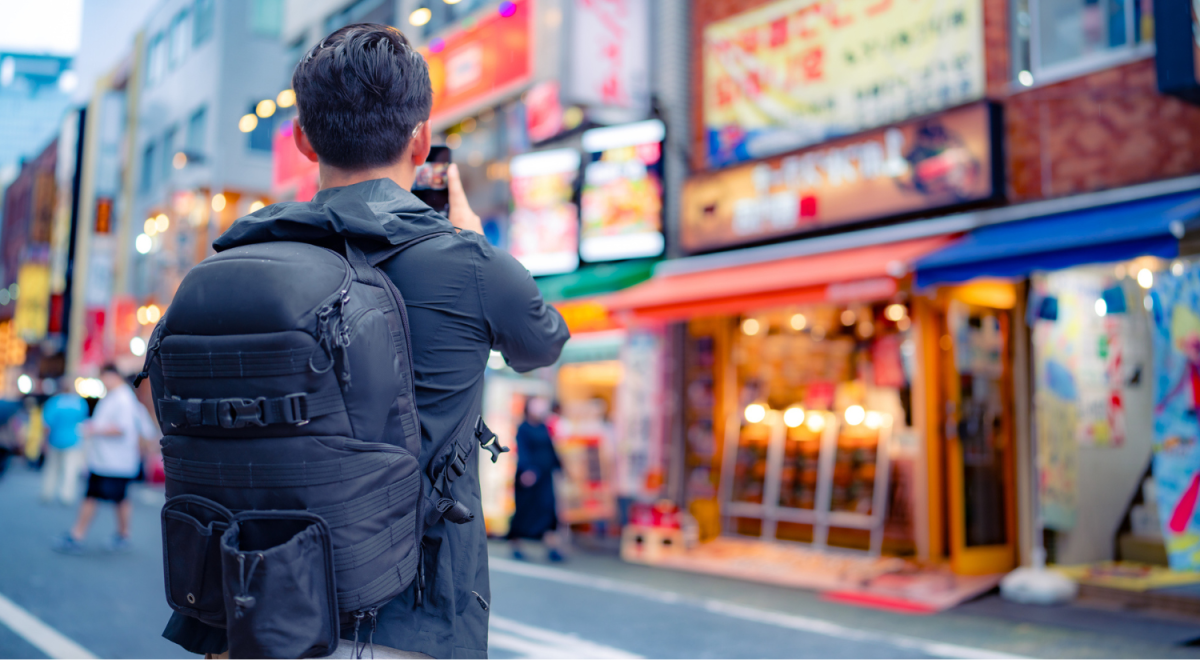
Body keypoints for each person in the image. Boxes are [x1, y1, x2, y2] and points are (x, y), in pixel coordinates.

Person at [162, 23, 569, 659]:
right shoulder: (467, 264)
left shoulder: (243, 254)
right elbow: (541, 341)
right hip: (407, 624)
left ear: (301, 137)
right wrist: (471, 236)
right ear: (422, 140)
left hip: (246, 613)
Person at [54, 365, 145, 554]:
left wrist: (93, 429)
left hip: (113, 461)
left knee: (97, 496)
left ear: (111, 376)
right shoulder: (117, 396)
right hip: (109, 460)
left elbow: (121, 428)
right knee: (114, 497)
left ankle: (79, 535)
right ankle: (118, 534)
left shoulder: (122, 398)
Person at [507, 397, 566, 562]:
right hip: (529, 478)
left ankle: (553, 547)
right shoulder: (523, 428)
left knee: (548, 511)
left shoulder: (544, 427)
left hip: (545, 477)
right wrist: (527, 470)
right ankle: (516, 543)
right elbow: (522, 450)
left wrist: (560, 467)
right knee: (525, 512)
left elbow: (551, 449)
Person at [40, 378, 90, 504]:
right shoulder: (80, 403)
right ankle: (66, 495)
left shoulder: (54, 402)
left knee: (52, 469)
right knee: (70, 470)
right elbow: (84, 423)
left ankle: (48, 492)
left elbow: (46, 425)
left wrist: (44, 441)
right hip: (73, 441)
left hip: (55, 439)